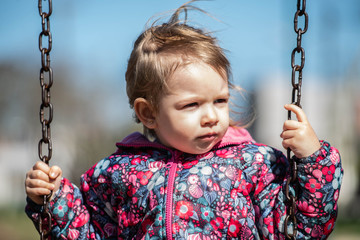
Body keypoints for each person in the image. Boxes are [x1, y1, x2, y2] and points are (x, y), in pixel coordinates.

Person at [25, 2, 343, 239]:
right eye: (191, 105)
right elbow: (87, 233)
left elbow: (303, 230)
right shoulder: (116, 172)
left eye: (220, 100)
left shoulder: (254, 164)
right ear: (148, 113)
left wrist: (314, 160)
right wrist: (51, 200)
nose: (211, 116)